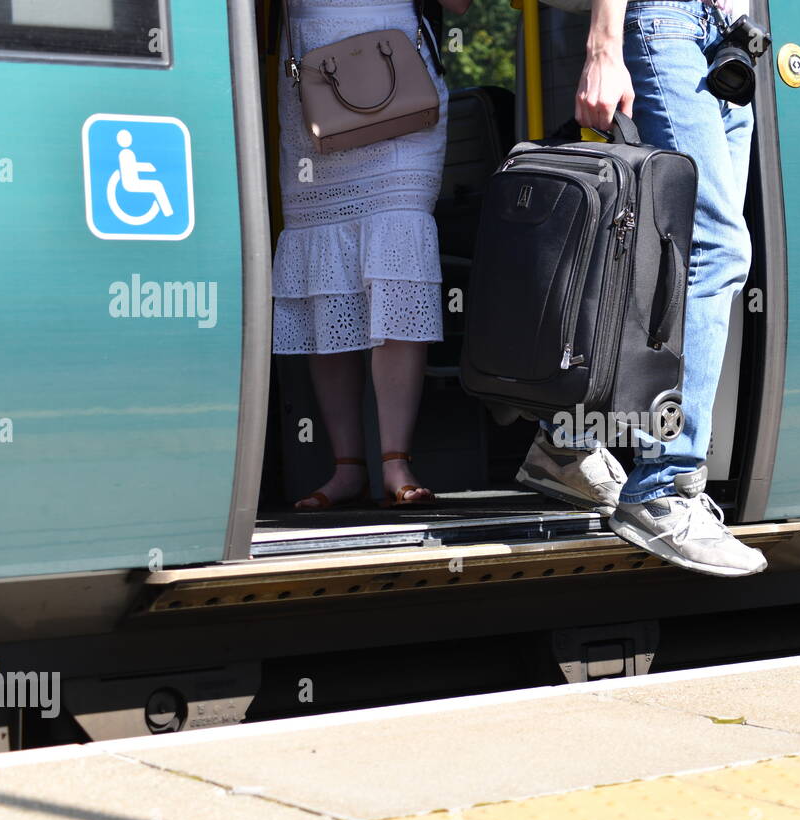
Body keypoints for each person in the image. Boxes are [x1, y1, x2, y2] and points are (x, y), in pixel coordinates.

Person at [515, 0, 767, 577]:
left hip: (723, 38)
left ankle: (567, 440)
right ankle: (664, 488)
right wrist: (603, 44)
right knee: (716, 249)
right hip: (667, 21)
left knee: (662, 254)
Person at [272, 0, 471, 509]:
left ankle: (394, 462)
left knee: (398, 257)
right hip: (312, 83)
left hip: (398, 78)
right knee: (326, 273)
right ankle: (346, 468)